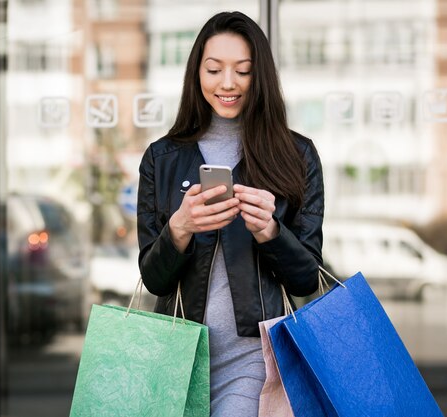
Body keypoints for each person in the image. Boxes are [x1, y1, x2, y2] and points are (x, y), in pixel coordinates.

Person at [136, 11, 324, 417]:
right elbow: (153, 279)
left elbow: (307, 277)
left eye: (243, 71)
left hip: (253, 358)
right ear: (196, 73)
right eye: (214, 69)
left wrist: (271, 231)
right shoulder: (162, 158)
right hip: (177, 357)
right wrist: (180, 228)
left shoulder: (296, 156)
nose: (227, 83)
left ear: (261, 77)